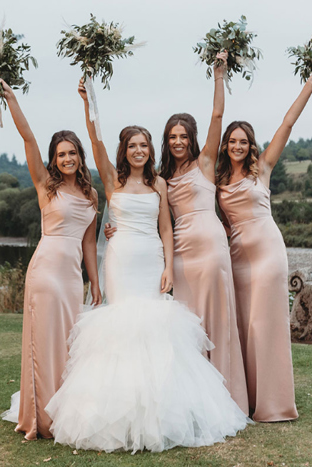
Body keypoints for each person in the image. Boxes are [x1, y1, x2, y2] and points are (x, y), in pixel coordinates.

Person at [43, 79, 250, 453]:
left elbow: (167, 228)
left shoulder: (160, 183)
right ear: (125, 151)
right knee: (122, 329)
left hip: (151, 257)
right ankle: (117, 416)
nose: (138, 151)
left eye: (144, 145)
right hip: (121, 260)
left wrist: (169, 266)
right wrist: (90, 103)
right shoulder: (111, 179)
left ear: (150, 150)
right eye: (132, 146)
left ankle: (161, 413)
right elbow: (96, 141)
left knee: (156, 330)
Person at [104, 52, 248, 413]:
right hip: (178, 256)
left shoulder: (205, 164)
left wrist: (219, 74)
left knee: (216, 318)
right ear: (165, 143)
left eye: (183, 136)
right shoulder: (161, 180)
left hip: (210, 247)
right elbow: (151, 219)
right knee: (183, 326)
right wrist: (114, 229)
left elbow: (218, 116)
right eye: (172, 137)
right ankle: (190, 399)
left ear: (193, 138)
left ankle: (227, 398)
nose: (178, 141)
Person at [216, 66, 312, 422]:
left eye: (243, 141)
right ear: (225, 146)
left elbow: (288, 123)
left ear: (251, 145)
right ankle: (246, 399)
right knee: (243, 325)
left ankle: (273, 404)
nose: (237, 146)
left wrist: (310, 84)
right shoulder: (217, 180)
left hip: (267, 252)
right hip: (236, 256)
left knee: (266, 324)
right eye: (232, 141)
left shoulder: (261, 169)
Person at [0, 75, 101, 440]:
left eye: (72, 153)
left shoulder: (91, 195)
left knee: (69, 345)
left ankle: (66, 414)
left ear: (79, 157)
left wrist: (95, 285)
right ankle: (40, 419)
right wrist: (11, 99)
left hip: (72, 277)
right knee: (43, 343)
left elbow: (90, 245)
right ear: (54, 160)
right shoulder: (45, 185)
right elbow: (28, 138)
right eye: (61, 154)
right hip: (45, 271)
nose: (67, 158)